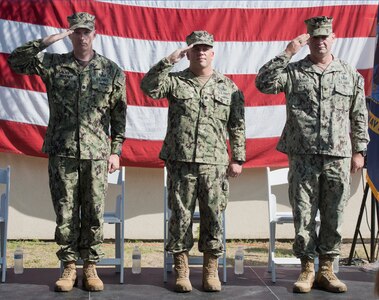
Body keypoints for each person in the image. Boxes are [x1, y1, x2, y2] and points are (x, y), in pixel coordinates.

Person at [8, 12, 126, 292]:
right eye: (76, 32)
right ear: (70, 34)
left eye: (86, 32)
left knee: (94, 212)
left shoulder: (110, 70)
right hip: (62, 151)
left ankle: (91, 267)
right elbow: (16, 60)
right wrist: (50, 40)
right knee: (65, 211)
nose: (82, 37)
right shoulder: (54, 64)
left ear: (94, 34)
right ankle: (69, 267)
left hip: (97, 153)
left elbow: (119, 115)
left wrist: (115, 150)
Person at [255, 16, 369, 294]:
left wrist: (360, 150)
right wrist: (287, 52)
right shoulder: (294, 71)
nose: (320, 42)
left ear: (333, 39)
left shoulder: (349, 73)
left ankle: (327, 270)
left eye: (325, 37)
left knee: (334, 214)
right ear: (308, 40)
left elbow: (359, 115)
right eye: (315, 37)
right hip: (303, 154)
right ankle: (307, 269)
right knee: (304, 214)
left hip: (337, 155)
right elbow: (263, 83)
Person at [141, 30, 245, 292]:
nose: (201, 52)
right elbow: (148, 87)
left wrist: (238, 158)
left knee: (213, 215)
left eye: (205, 48)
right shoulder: (176, 82)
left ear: (212, 52)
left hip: (214, 163)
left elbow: (237, 126)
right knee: (180, 216)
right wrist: (169, 60)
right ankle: (182, 270)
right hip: (181, 161)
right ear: (188, 52)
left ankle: (210, 270)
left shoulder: (228, 86)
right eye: (195, 48)